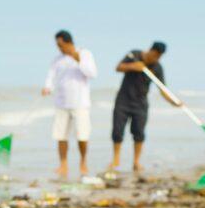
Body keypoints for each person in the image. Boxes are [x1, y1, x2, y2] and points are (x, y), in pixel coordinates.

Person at [109, 42, 180, 179]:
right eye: (155, 55)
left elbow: (162, 89)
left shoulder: (157, 68)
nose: (156, 59)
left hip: (141, 103)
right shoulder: (134, 55)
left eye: (159, 57)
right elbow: (118, 67)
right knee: (117, 132)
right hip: (123, 100)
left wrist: (173, 102)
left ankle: (136, 162)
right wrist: (133, 66)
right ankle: (115, 160)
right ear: (150, 50)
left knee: (139, 133)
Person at [42, 30, 97, 179]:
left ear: (68, 42)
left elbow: (92, 73)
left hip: (80, 103)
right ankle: (63, 164)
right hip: (61, 102)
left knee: (82, 135)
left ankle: (83, 162)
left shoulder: (85, 54)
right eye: (57, 45)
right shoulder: (57, 60)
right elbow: (51, 76)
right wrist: (47, 87)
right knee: (61, 135)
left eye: (60, 45)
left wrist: (78, 59)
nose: (59, 48)